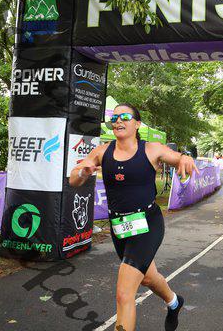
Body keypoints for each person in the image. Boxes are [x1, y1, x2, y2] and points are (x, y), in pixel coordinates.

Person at [69, 103, 198, 331]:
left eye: (125, 117)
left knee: (124, 293)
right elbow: (74, 180)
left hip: (147, 223)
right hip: (119, 227)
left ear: (137, 124)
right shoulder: (102, 151)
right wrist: (83, 172)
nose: (118, 121)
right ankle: (174, 302)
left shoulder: (151, 149)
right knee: (147, 278)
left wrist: (185, 158)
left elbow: (177, 158)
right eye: (114, 117)